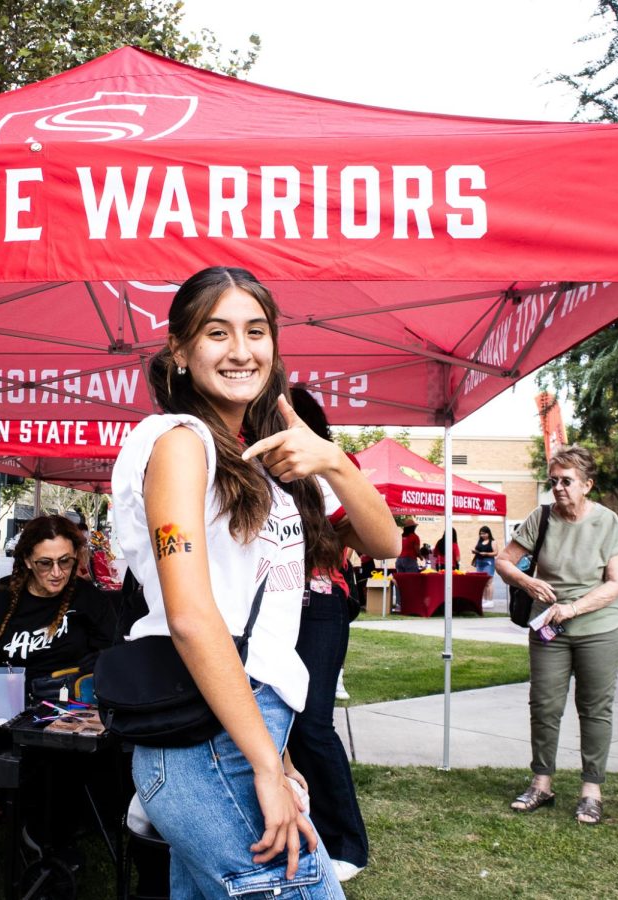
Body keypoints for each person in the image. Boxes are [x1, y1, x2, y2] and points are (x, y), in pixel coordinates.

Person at [111, 266, 400, 897]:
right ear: (180, 352)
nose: (241, 351)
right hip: (205, 736)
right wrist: (267, 766)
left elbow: (386, 542)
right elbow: (191, 615)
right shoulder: (179, 442)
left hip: (243, 724)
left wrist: (334, 461)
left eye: (256, 331)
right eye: (217, 333)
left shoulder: (273, 453)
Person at [495, 445, 618, 826]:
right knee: (544, 705)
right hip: (549, 630)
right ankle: (542, 783)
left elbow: (617, 582)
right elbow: (504, 560)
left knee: (594, 708)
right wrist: (526, 580)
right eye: (553, 481)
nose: (558, 488)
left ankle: (591, 790)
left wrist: (572, 609)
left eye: (567, 481)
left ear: (587, 484)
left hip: (599, 628)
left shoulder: (607, 521)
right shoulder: (541, 518)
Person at [286, 386, 385, 882]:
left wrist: (335, 535)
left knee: (312, 723)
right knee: (273, 723)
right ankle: (298, 824)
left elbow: (374, 536)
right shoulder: (259, 466)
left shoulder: (331, 467)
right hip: (269, 610)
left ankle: (346, 841)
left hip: (320, 605)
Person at [0, 514, 114, 691]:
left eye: (65, 561)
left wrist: (105, 659)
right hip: (0, 702)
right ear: (27, 560)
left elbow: (117, 655)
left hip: (67, 706)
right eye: (45, 563)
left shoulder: (91, 599)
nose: (57, 573)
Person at [472, 525, 498, 604]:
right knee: (482, 582)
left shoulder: (493, 542)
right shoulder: (479, 541)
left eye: (484, 533)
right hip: (479, 562)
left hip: (488, 562)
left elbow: (496, 553)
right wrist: (474, 550)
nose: (482, 535)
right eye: (481, 534)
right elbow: (475, 548)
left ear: (488, 533)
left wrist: (486, 553)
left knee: (489, 582)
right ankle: (484, 600)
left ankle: (490, 600)